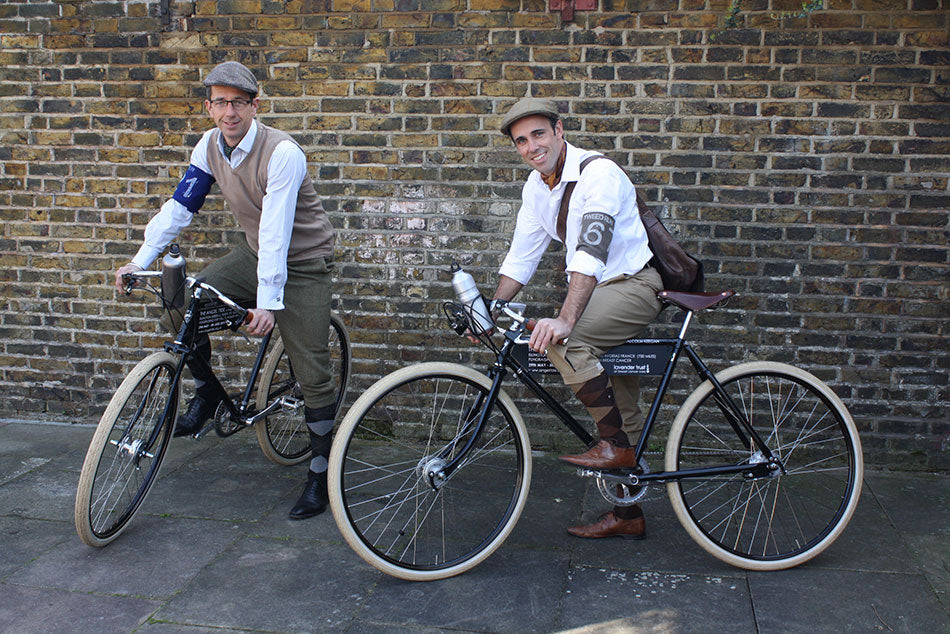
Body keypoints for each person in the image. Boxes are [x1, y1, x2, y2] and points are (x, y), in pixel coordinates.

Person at [114, 61, 337, 521]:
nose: (229, 111)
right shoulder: (210, 146)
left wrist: (269, 305)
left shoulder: (282, 153)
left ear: (255, 106)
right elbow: (181, 205)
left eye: (238, 102)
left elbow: (278, 232)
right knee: (179, 310)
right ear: (209, 107)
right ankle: (208, 393)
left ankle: (320, 471)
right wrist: (140, 260)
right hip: (255, 255)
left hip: (304, 265)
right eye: (220, 102)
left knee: (311, 367)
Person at [490, 97, 663, 539]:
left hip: (634, 285)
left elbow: (590, 250)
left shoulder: (598, 175)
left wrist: (566, 320)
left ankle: (614, 448)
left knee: (567, 342)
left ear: (559, 130)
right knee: (623, 407)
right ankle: (629, 516)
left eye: (538, 134)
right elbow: (521, 258)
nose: (531, 147)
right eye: (521, 141)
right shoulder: (536, 186)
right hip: (600, 291)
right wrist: (489, 309)